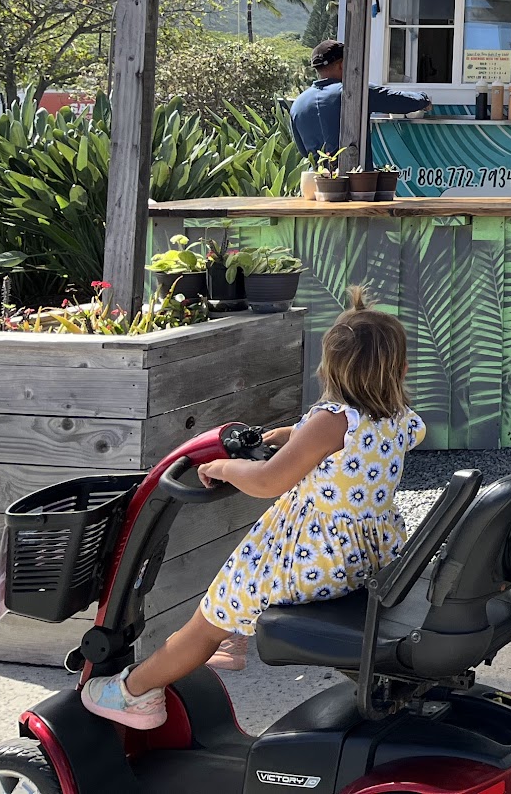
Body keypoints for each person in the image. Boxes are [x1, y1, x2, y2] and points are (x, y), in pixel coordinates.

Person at [80, 287, 426, 727]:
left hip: (312, 557)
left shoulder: (332, 420)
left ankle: (134, 695)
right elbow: (345, 451)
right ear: (399, 368)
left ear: (330, 368)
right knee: (244, 592)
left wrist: (224, 467)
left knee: (208, 619)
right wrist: (287, 437)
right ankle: (235, 641)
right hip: (367, 555)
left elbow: (268, 482)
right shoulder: (397, 416)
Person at [289, 38, 431, 158]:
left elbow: (302, 150)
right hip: (354, 182)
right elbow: (398, 101)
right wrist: (424, 99)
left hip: (317, 182)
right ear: (343, 64)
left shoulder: (298, 104)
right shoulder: (353, 92)